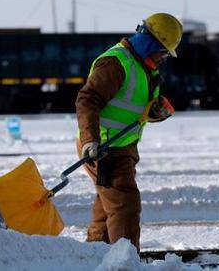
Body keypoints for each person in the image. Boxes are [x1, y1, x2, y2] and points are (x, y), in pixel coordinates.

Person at [75, 13, 183, 250]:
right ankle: (124, 262)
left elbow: (128, 106)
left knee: (108, 207)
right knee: (125, 205)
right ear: (151, 44)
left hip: (121, 146)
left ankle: (95, 254)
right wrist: (89, 140)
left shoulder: (144, 66)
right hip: (103, 148)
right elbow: (87, 100)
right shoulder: (116, 63)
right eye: (164, 51)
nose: (165, 58)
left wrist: (152, 112)